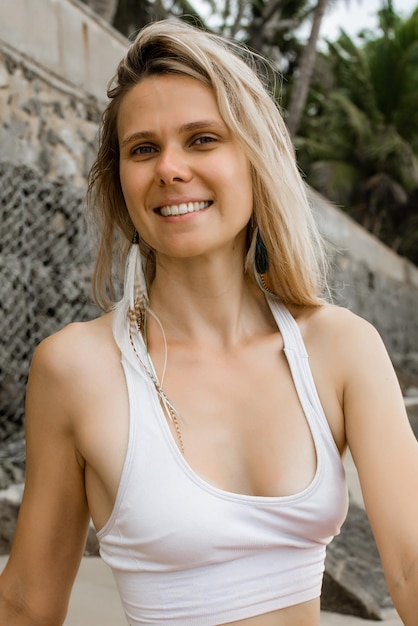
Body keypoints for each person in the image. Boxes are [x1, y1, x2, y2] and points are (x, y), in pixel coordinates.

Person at [1, 18, 417, 626]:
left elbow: (409, 565)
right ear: (122, 183)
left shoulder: (341, 348)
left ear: (254, 159)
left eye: (202, 139)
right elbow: (25, 605)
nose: (170, 168)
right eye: (144, 149)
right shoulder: (76, 369)